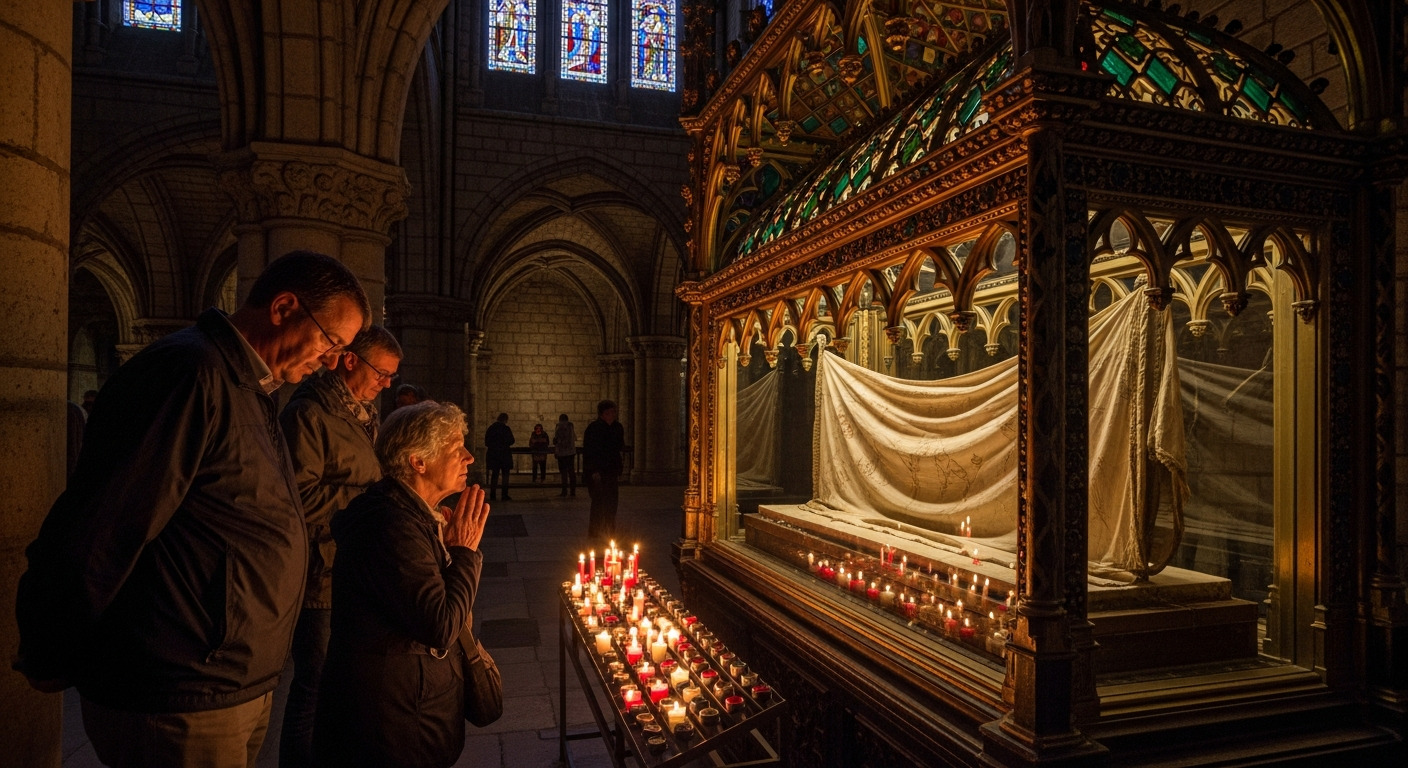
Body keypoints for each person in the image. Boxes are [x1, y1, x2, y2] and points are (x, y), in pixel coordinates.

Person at [15, 251, 370, 768]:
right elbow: (104, 524)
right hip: (177, 691)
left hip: (225, 683)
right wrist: (50, 644)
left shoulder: (248, 386)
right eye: (332, 341)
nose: (334, 359)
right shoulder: (189, 374)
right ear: (284, 307)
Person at [313, 401, 490, 768]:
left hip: (410, 711)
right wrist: (464, 552)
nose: (469, 457)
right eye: (456, 449)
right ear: (418, 462)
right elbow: (440, 625)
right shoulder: (392, 527)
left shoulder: (411, 518)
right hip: (394, 725)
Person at [277, 325, 403, 768]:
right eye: (382, 373)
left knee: (340, 686)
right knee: (314, 688)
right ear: (351, 360)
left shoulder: (359, 412)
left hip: (350, 566)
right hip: (320, 576)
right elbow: (299, 496)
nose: (387, 383)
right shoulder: (310, 413)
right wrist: (375, 500)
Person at [582, 400, 625, 537]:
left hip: (611, 471)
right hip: (598, 472)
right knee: (598, 504)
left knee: (612, 504)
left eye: (614, 412)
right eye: (609, 412)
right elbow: (590, 451)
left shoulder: (617, 427)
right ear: (602, 414)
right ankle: (595, 534)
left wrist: (618, 468)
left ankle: (609, 532)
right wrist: (593, 471)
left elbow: (619, 447)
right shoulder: (593, 428)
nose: (612, 415)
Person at [484, 412, 515, 501]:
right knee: (505, 476)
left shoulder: (491, 428)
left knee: (494, 475)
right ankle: (504, 495)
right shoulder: (506, 429)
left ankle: (493, 495)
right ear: (505, 420)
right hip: (504, 455)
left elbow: (487, 442)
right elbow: (512, 441)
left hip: (494, 455)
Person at [554, 412, 577, 497]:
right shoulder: (571, 426)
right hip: (571, 452)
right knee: (571, 472)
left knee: (563, 472)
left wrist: (556, 450)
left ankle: (564, 491)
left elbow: (557, 440)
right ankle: (573, 491)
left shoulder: (559, 426)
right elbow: (574, 438)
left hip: (562, 453)